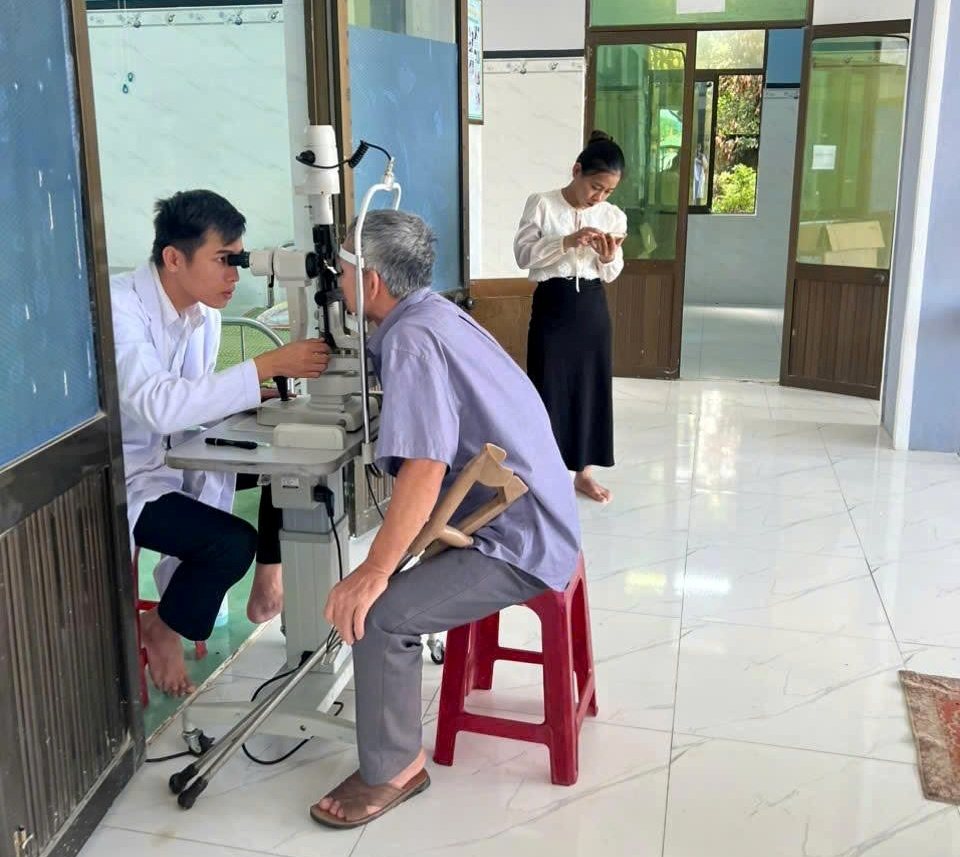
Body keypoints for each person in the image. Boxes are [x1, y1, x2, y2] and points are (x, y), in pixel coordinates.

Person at [310, 210, 581, 829]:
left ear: (370, 280)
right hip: (530, 511)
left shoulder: (411, 338)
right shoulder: (432, 313)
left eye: (343, 270)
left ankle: (395, 769)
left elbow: (426, 467)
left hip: (519, 540)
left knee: (379, 615)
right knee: (380, 587)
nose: (338, 282)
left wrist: (374, 572)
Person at [111, 189, 332, 696]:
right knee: (230, 543)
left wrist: (251, 404)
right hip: (122, 479)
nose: (235, 275)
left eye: (239, 261)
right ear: (173, 258)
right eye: (223, 261)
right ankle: (162, 628)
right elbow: (158, 405)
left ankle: (268, 582)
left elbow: (193, 404)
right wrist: (267, 366)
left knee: (292, 468)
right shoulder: (121, 310)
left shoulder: (203, 316)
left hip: (171, 460)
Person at [514, 130, 627, 504]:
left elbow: (611, 272)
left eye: (608, 191)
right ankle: (546, 474)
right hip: (553, 303)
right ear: (576, 171)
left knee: (591, 389)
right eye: (596, 187)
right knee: (547, 387)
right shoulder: (542, 204)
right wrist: (566, 242)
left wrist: (609, 258)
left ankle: (584, 473)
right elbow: (523, 256)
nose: (600, 197)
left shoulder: (612, 216)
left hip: (593, 308)